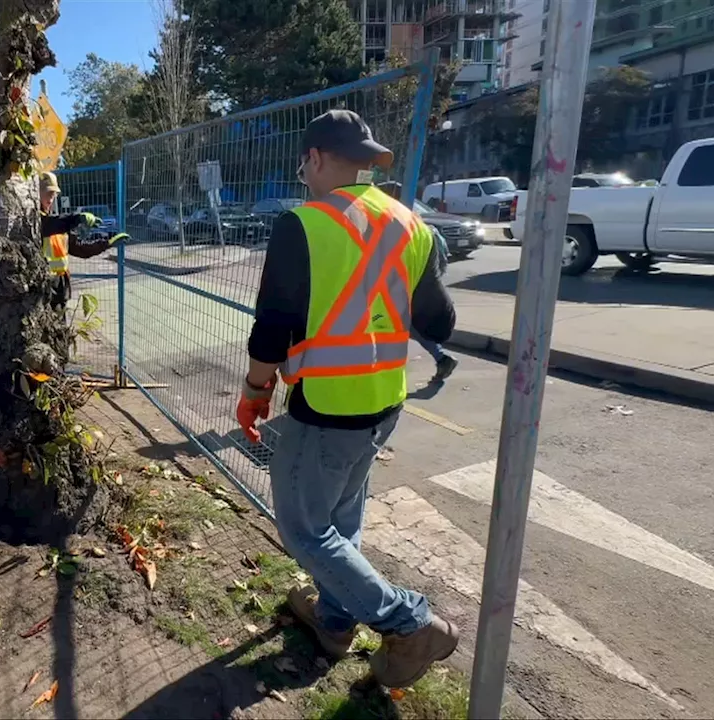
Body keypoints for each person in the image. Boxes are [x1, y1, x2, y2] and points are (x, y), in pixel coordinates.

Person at [237, 110, 458, 687]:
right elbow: (442, 321)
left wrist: (256, 393)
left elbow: (272, 329)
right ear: (365, 162)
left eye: (302, 164)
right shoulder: (411, 226)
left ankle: (408, 621)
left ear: (313, 158)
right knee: (340, 516)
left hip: (326, 407)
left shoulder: (303, 224)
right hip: (385, 400)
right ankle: (334, 623)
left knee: (305, 530)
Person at [377, 181, 458, 383]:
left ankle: (440, 358)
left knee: (402, 327)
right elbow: (443, 259)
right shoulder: (423, 227)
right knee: (408, 327)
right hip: (423, 290)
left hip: (406, 289)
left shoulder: (395, 228)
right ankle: (441, 357)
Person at [38, 171, 127, 310]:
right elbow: (48, 224)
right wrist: (77, 218)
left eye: (53, 194)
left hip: (60, 288)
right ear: (36, 193)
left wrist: (107, 242)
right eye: (47, 193)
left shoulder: (58, 226)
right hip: (42, 290)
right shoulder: (36, 222)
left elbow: (80, 248)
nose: (51, 198)